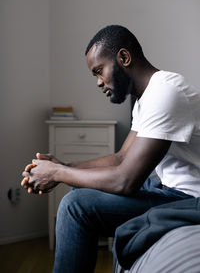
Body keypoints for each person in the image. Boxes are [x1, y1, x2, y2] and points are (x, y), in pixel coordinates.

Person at [21, 25, 200, 273]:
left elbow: (126, 180)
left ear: (124, 58)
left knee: (75, 206)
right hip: (170, 191)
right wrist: (63, 166)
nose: (98, 82)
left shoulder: (166, 91)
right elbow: (121, 158)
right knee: (79, 185)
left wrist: (55, 174)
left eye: (99, 71)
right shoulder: (147, 98)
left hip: (190, 199)